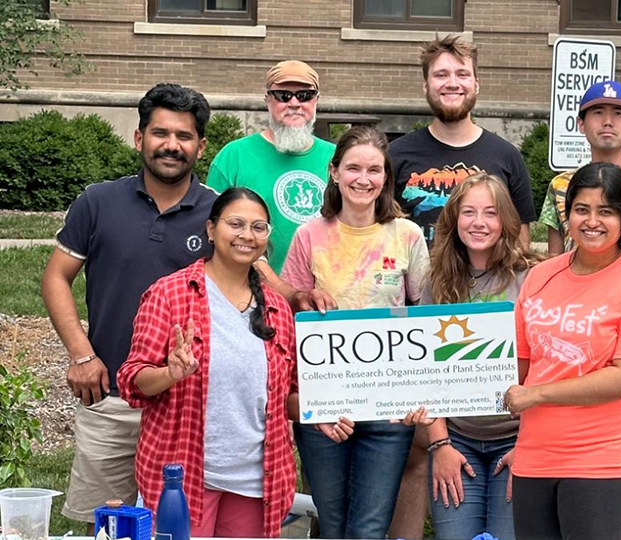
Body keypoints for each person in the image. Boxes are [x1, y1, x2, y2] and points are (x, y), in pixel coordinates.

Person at [41, 83, 216, 529]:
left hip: (186, 402)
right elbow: (56, 277)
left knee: (179, 526)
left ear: (200, 145)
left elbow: (257, 286)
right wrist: (82, 355)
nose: (171, 146)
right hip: (112, 396)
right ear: (139, 138)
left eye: (184, 136)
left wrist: (301, 296)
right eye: (160, 133)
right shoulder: (97, 202)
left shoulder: (217, 214)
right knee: (108, 525)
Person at [117, 188, 298, 537]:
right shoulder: (170, 294)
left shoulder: (277, 309)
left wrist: (326, 410)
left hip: (256, 481)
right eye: (236, 224)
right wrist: (170, 374)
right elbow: (132, 381)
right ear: (211, 229)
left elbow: (285, 399)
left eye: (259, 227)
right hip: (183, 478)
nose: (247, 235)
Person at [280, 125, 430, 539]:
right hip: (326, 405)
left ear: (386, 178)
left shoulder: (407, 235)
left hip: (387, 405)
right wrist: (305, 295)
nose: (363, 179)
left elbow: (425, 315)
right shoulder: (309, 235)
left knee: (368, 528)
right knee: (331, 524)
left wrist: (423, 391)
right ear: (334, 172)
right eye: (353, 168)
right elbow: (291, 309)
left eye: (374, 170)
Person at [504, 162, 621, 540]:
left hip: (602, 459)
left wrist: (539, 394)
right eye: (582, 209)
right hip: (534, 456)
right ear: (568, 215)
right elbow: (518, 366)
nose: (592, 221)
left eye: (606, 211)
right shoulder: (542, 275)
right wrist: (439, 392)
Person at [419, 173, 539, 540]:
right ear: (454, 220)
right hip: (457, 440)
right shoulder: (435, 282)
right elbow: (424, 372)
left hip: (519, 440)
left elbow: (549, 368)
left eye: (490, 212)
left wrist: (531, 445)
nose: (479, 223)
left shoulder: (532, 279)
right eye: (468, 212)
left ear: (505, 219)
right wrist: (439, 445)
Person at [390, 35, 537, 248]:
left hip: (488, 281)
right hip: (416, 280)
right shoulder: (395, 155)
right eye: (441, 75)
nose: (452, 83)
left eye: (462, 74)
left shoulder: (507, 157)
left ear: (476, 84)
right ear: (425, 85)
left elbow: (520, 244)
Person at [206, 60, 336, 276]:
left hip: (326, 295)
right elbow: (213, 233)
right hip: (251, 295)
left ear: (316, 101)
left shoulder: (337, 158)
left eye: (304, 95)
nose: (294, 103)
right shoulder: (233, 157)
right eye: (283, 95)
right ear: (268, 99)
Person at [539, 80, 621, 256]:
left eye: (618, 113)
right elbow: (555, 256)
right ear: (581, 124)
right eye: (598, 112)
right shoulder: (561, 185)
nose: (608, 122)